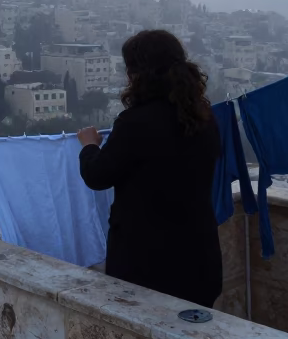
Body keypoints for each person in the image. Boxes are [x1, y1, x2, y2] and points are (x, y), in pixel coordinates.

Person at [78, 29, 222, 308]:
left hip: (147, 269)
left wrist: (89, 146)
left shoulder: (135, 123)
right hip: (199, 260)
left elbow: (97, 176)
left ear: (138, 74)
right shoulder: (204, 119)